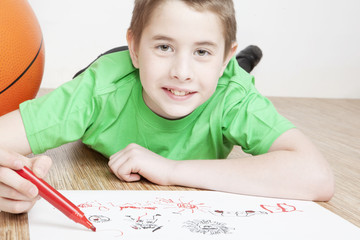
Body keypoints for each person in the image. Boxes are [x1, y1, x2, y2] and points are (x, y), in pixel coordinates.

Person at [0, 0, 334, 214]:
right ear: (134, 47)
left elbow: (316, 176)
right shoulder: (97, 91)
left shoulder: (231, 92)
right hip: (117, 72)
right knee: (169, 74)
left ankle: (242, 59)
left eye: (203, 52)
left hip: (214, 74)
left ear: (224, 59)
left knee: (226, 76)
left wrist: (171, 169)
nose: (182, 71)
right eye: (163, 46)